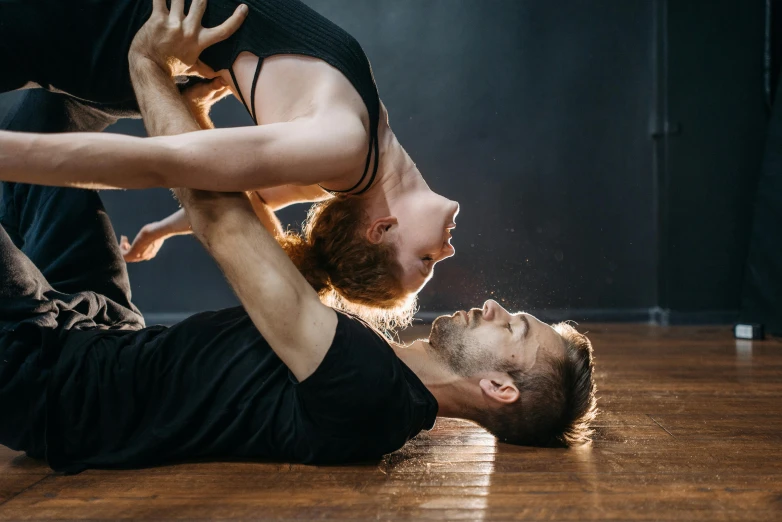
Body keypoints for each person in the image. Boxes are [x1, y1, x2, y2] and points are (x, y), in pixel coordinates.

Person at [0, 178, 597, 475]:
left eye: (512, 327)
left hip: (52, 380)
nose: (494, 306)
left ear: (500, 388)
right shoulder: (380, 367)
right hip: (111, 330)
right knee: (42, 114)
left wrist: (150, 67)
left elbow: (227, 228)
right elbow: (272, 245)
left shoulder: (369, 392)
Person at [0, 0, 460, 327]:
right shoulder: (347, 169)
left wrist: (9, 155)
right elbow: (256, 197)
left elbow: (159, 164)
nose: (446, 253)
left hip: (112, 27)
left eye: (426, 261)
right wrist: (162, 229)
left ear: (381, 229)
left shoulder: (339, 146)